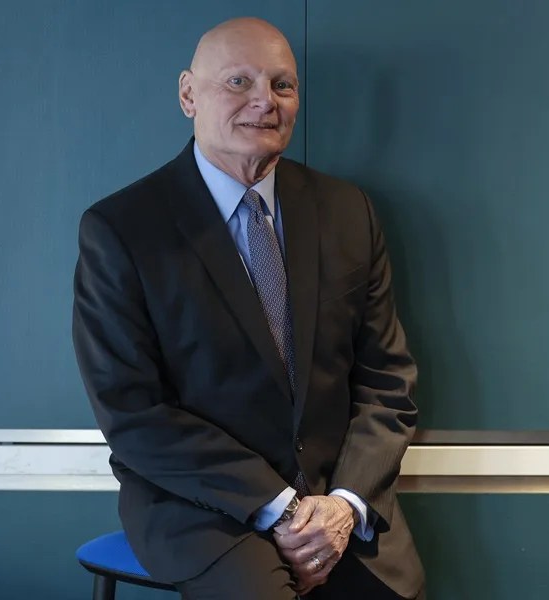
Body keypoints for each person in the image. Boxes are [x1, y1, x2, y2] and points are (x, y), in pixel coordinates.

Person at [72, 16, 424, 600]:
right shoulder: (121, 230)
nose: (265, 101)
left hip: (336, 499)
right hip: (201, 505)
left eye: (282, 85)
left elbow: (388, 381)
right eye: (239, 82)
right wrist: (280, 507)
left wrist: (344, 504)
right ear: (188, 94)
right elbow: (132, 411)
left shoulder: (348, 212)